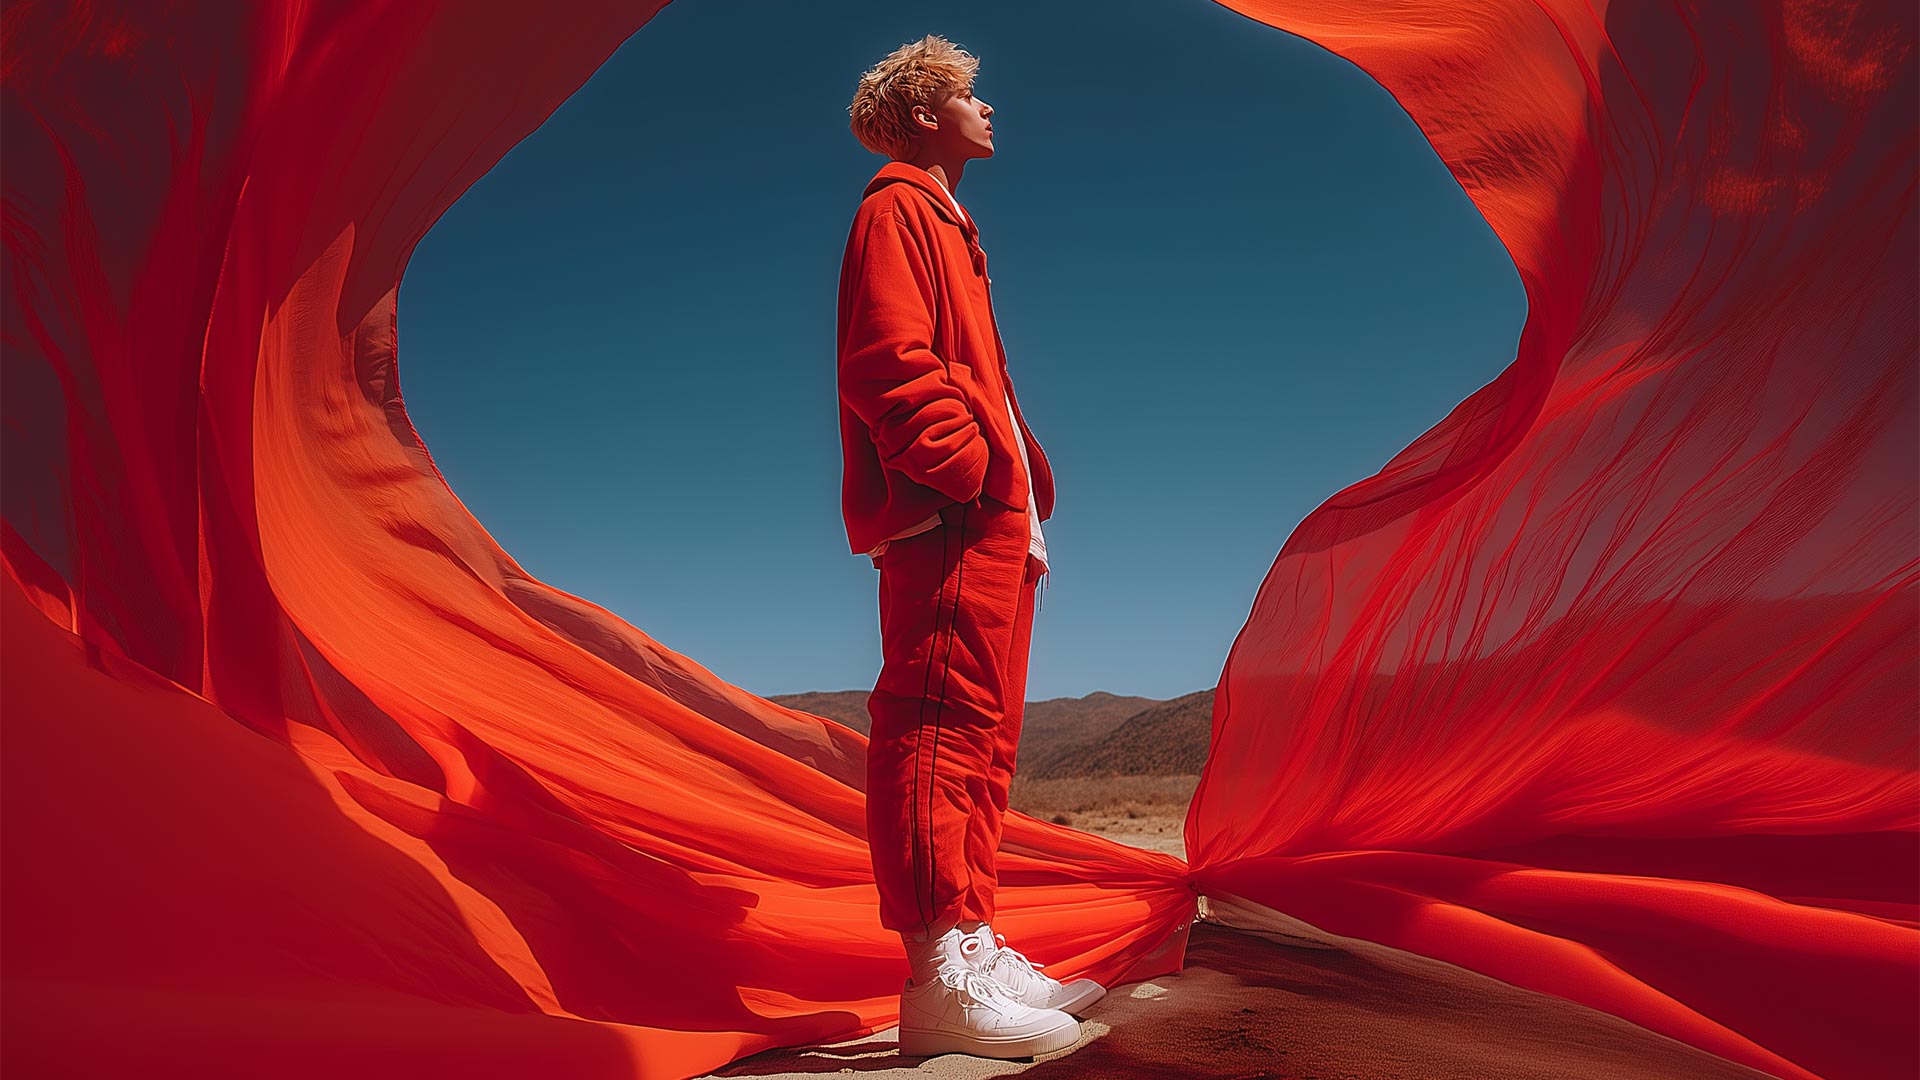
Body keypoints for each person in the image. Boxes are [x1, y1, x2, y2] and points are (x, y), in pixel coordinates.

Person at [838, 34, 1106, 1060]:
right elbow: (884, 358)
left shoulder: (952, 220)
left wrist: (1012, 488)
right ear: (923, 112)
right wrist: (965, 469)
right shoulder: (897, 205)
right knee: (937, 722)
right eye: (969, 94)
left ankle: (975, 942)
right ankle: (937, 974)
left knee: (985, 742)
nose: (988, 108)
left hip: (995, 516)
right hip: (954, 506)